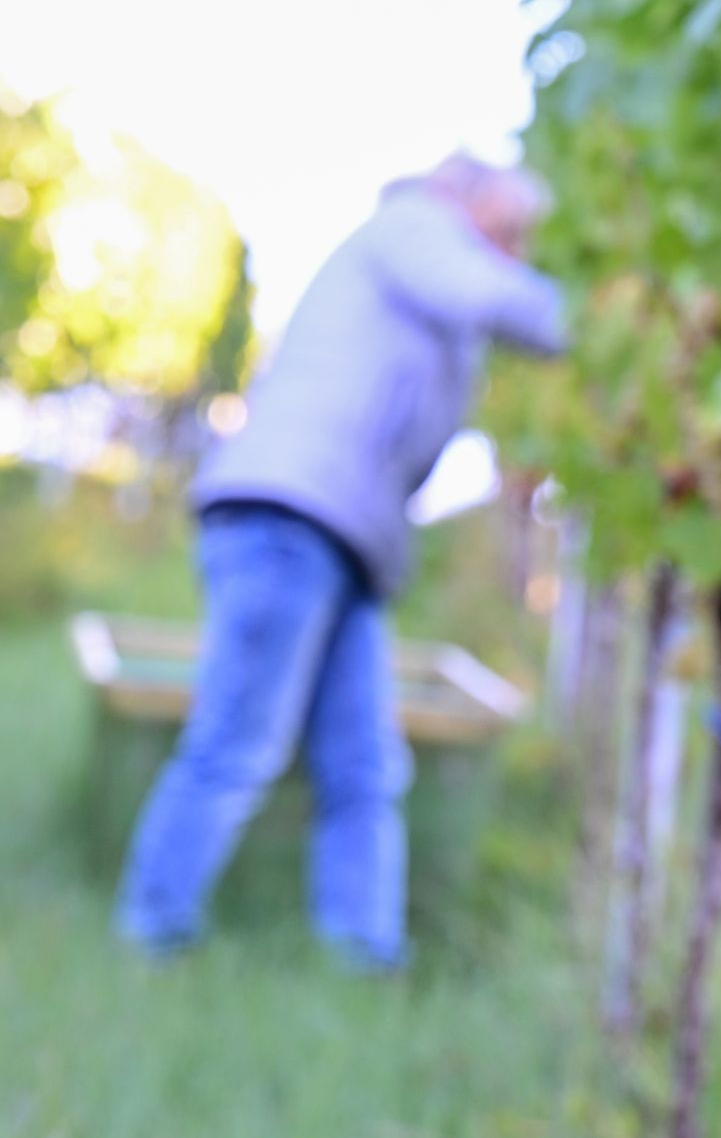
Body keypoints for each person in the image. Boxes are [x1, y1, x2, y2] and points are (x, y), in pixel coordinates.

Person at [116, 153, 566, 970]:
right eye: (507, 233)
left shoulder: (426, 250)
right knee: (237, 743)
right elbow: (488, 296)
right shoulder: (416, 227)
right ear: (465, 201)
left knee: (363, 763)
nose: (514, 256)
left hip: (345, 534)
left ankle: (363, 957)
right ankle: (151, 934)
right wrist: (590, 325)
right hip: (291, 517)